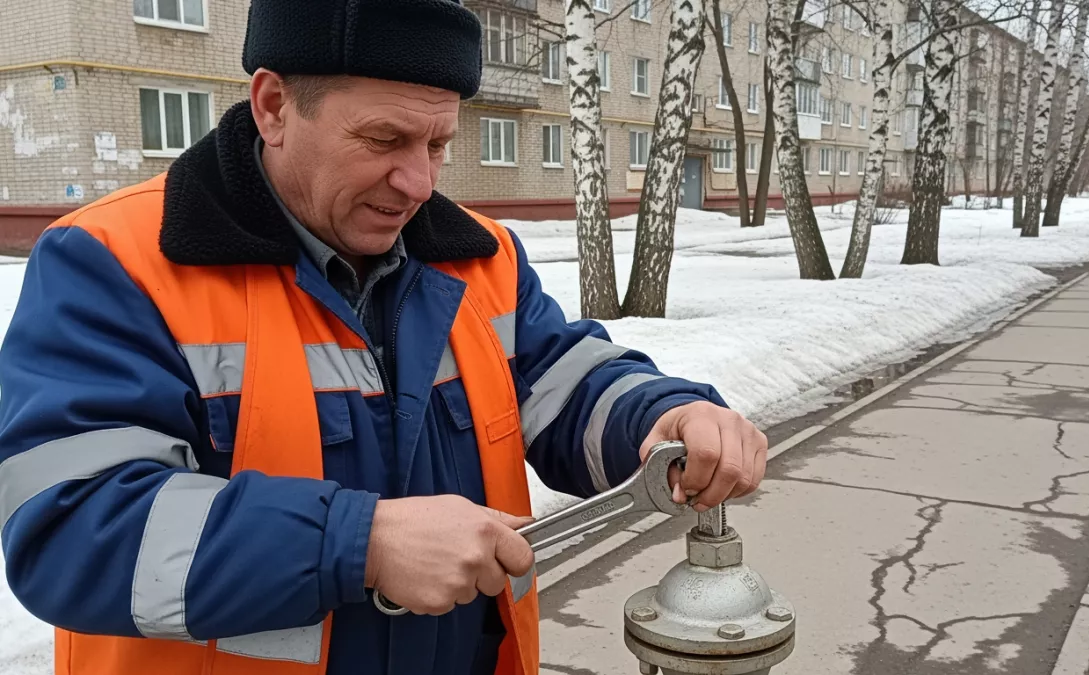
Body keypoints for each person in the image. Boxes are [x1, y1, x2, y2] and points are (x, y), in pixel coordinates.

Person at [0, 1, 767, 674]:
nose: (420, 182)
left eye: (436, 144)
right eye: (383, 139)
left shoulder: (477, 260)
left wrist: (663, 416)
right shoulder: (118, 263)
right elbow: (72, 526)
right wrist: (357, 542)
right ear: (272, 106)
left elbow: (564, 383)